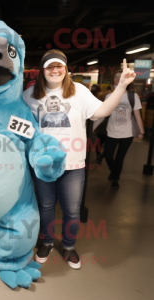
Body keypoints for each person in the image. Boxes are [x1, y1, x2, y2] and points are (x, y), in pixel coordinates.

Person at [23, 49, 136, 269]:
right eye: (50, 66)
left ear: (66, 70)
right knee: (45, 206)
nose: (55, 70)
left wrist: (121, 86)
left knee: (72, 210)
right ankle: (46, 242)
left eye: (59, 66)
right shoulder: (30, 95)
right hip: (44, 163)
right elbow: (19, 121)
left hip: (72, 164)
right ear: (43, 70)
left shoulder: (79, 92)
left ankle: (68, 246)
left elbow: (102, 110)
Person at [104, 70, 145, 189]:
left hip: (127, 133)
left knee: (120, 158)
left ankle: (115, 179)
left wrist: (141, 132)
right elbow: (104, 114)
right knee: (108, 156)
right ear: (113, 80)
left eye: (120, 76)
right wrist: (92, 127)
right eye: (116, 77)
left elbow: (137, 115)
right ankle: (114, 172)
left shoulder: (133, 96)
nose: (118, 79)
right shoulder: (109, 96)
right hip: (111, 131)